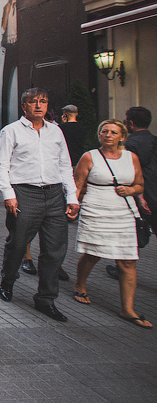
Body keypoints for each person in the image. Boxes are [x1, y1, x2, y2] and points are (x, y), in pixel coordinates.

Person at [0, 88, 79, 322]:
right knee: (18, 243)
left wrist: (71, 196)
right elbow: (2, 166)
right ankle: (8, 280)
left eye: (43, 101)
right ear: (24, 106)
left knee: (54, 250)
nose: (39, 106)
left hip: (54, 195)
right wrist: (8, 194)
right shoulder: (11, 131)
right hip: (24, 193)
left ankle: (46, 298)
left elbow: (65, 165)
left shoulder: (56, 132)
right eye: (33, 102)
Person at [70, 120, 151, 328]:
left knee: (127, 260)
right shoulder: (90, 157)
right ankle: (80, 283)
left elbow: (140, 184)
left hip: (123, 210)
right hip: (95, 208)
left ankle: (128, 309)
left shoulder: (131, 158)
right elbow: (77, 185)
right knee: (93, 253)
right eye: (104, 131)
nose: (108, 135)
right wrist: (73, 206)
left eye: (113, 132)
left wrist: (131, 190)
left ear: (122, 136)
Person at [106, 106, 157, 279]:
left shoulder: (128, 145)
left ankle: (123, 268)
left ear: (130, 123)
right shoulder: (154, 141)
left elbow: (129, 172)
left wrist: (140, 196)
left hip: (139, 194)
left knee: (128, 233)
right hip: (155, 192)